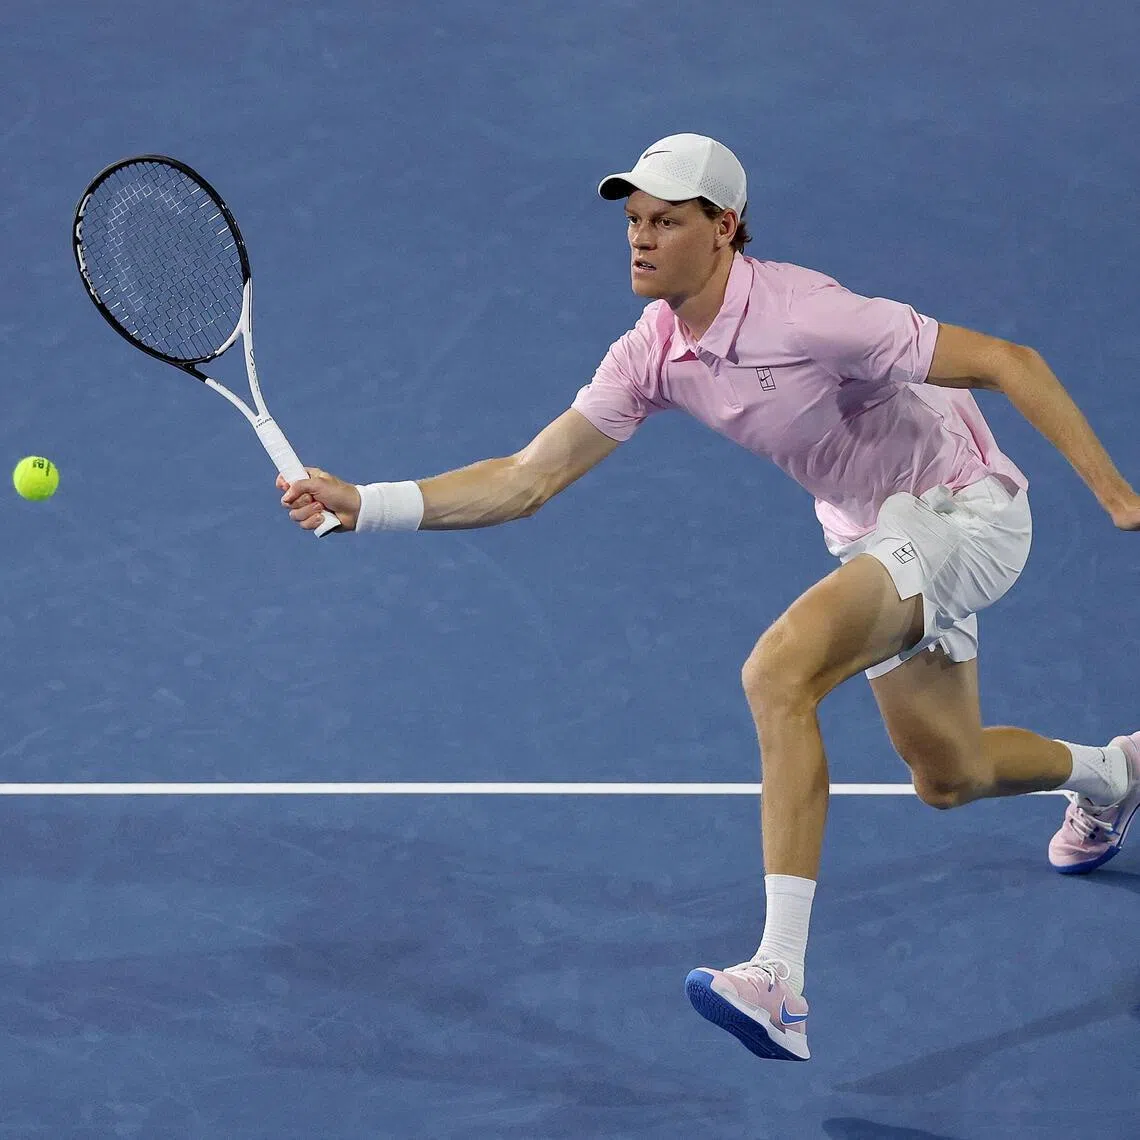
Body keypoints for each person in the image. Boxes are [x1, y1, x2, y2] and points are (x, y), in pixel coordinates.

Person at [278, 134, 1140, 1063]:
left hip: (962, 513)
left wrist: (1121, 499)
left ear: (724, 229)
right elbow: (526, 479)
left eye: (667, 222)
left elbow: (1010, 359)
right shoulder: (651, 351)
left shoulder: (812, 315)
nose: (641, 240)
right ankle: (1117, 774)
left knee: (779, 673)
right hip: (873, 534)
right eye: (634, 222)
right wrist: (366, 506)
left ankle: (779, 979)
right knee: (950, 774)